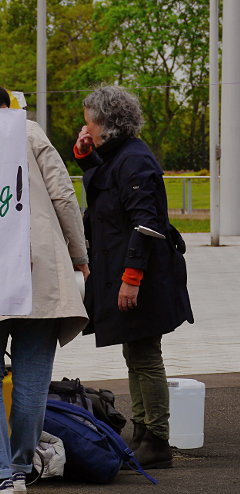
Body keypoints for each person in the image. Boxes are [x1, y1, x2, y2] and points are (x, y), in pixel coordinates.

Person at [0, 81, 90, 494]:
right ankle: (18, 470)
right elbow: (64, 196)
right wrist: (79, 255)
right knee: (32, 381)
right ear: (8, 106)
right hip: (40, 269)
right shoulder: (29, 131)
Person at [74, 85, 193, 468]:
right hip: (131, 270)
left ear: (106, 124)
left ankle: (156, 439)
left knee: (145, 354)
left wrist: (132, 277)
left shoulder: (136, 161)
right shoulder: (120, 157)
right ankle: (144, 432)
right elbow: (107, 192)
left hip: (143, 274)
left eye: (89, 120)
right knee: (136, 352)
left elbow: (146, 223)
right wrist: (85, 157)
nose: (85, 126)